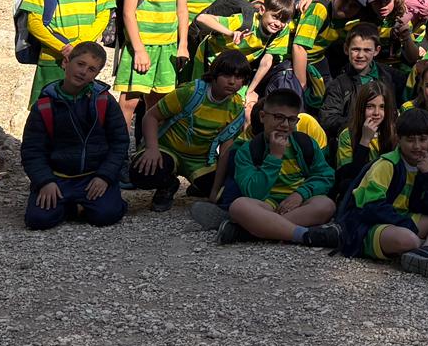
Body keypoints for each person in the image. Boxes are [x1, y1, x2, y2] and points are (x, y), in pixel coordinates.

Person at [210, 84, 340, 248]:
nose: (285, 125)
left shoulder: (305, 143)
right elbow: (254, 193)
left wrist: (300, 194)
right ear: (263, 116)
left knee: (326, 205)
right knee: (238, 206)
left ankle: (248, 232)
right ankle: (305, 235)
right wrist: (274, 157)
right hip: (265, 205)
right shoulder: (248, 150)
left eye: (291, 120)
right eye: (278, 117)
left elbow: (325, 176)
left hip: (298, 205)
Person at [335, 106, 428, 278]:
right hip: (371, 226)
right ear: (399, 139)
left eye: (423, 139)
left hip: (403, 220)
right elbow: (371, 208)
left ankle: (426, 250)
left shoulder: (426, 164)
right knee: (409, 239)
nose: (417, 146)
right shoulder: (386, 165)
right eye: (410, 140)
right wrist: (407, 225)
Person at [19, 41, 128, 230]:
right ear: (66, 62)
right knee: (38, 220)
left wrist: (105, 176)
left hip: (93, 176)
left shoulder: (104, 101)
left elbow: (119, 142)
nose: (83, 72)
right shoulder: (45, 105)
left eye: (91, 69)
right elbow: (32, 149)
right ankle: (73, 206)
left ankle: (97, 200)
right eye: (80, 64)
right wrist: (45, 181)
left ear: (96, 74)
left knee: (107, 214)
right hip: (58, 177)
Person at [129, 48, 251, 211]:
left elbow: (225, 152)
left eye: (239, 77)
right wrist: (152, 149)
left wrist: (214, 191)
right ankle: (168, 184)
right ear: (214, 74)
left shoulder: (236, 109)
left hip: (199, 160)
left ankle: (198, 185)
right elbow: (151, 116)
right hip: (167, 149)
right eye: (227, 75)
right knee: (141, 171)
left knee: (225, 192)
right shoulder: (191, 92)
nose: (232, 82)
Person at [114, 0, 190, 132]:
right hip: (141, 45)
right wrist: (139, 50)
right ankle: (118, 145)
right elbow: (128, 13)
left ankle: (150, 147)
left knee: (158, 103)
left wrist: (183, 44)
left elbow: (182, 10)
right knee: (129, 101)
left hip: (168, 47)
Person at [318, 23, 400, 134]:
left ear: (376, 51)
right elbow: (327, 120)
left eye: (367, 50)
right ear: (346, 49)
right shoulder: (339, 84)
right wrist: (359, 123)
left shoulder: (389, 77)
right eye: (356, 49)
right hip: (352, 139)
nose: (360, 55)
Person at [329, 80, 396, 203]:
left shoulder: (394, 133)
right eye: (370, 106)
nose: (376, 113)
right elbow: (347, 175)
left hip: (385, 187)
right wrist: (364, 141)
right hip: (358, 187)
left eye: (382, 107)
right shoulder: (348, 135)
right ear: (361, 108)